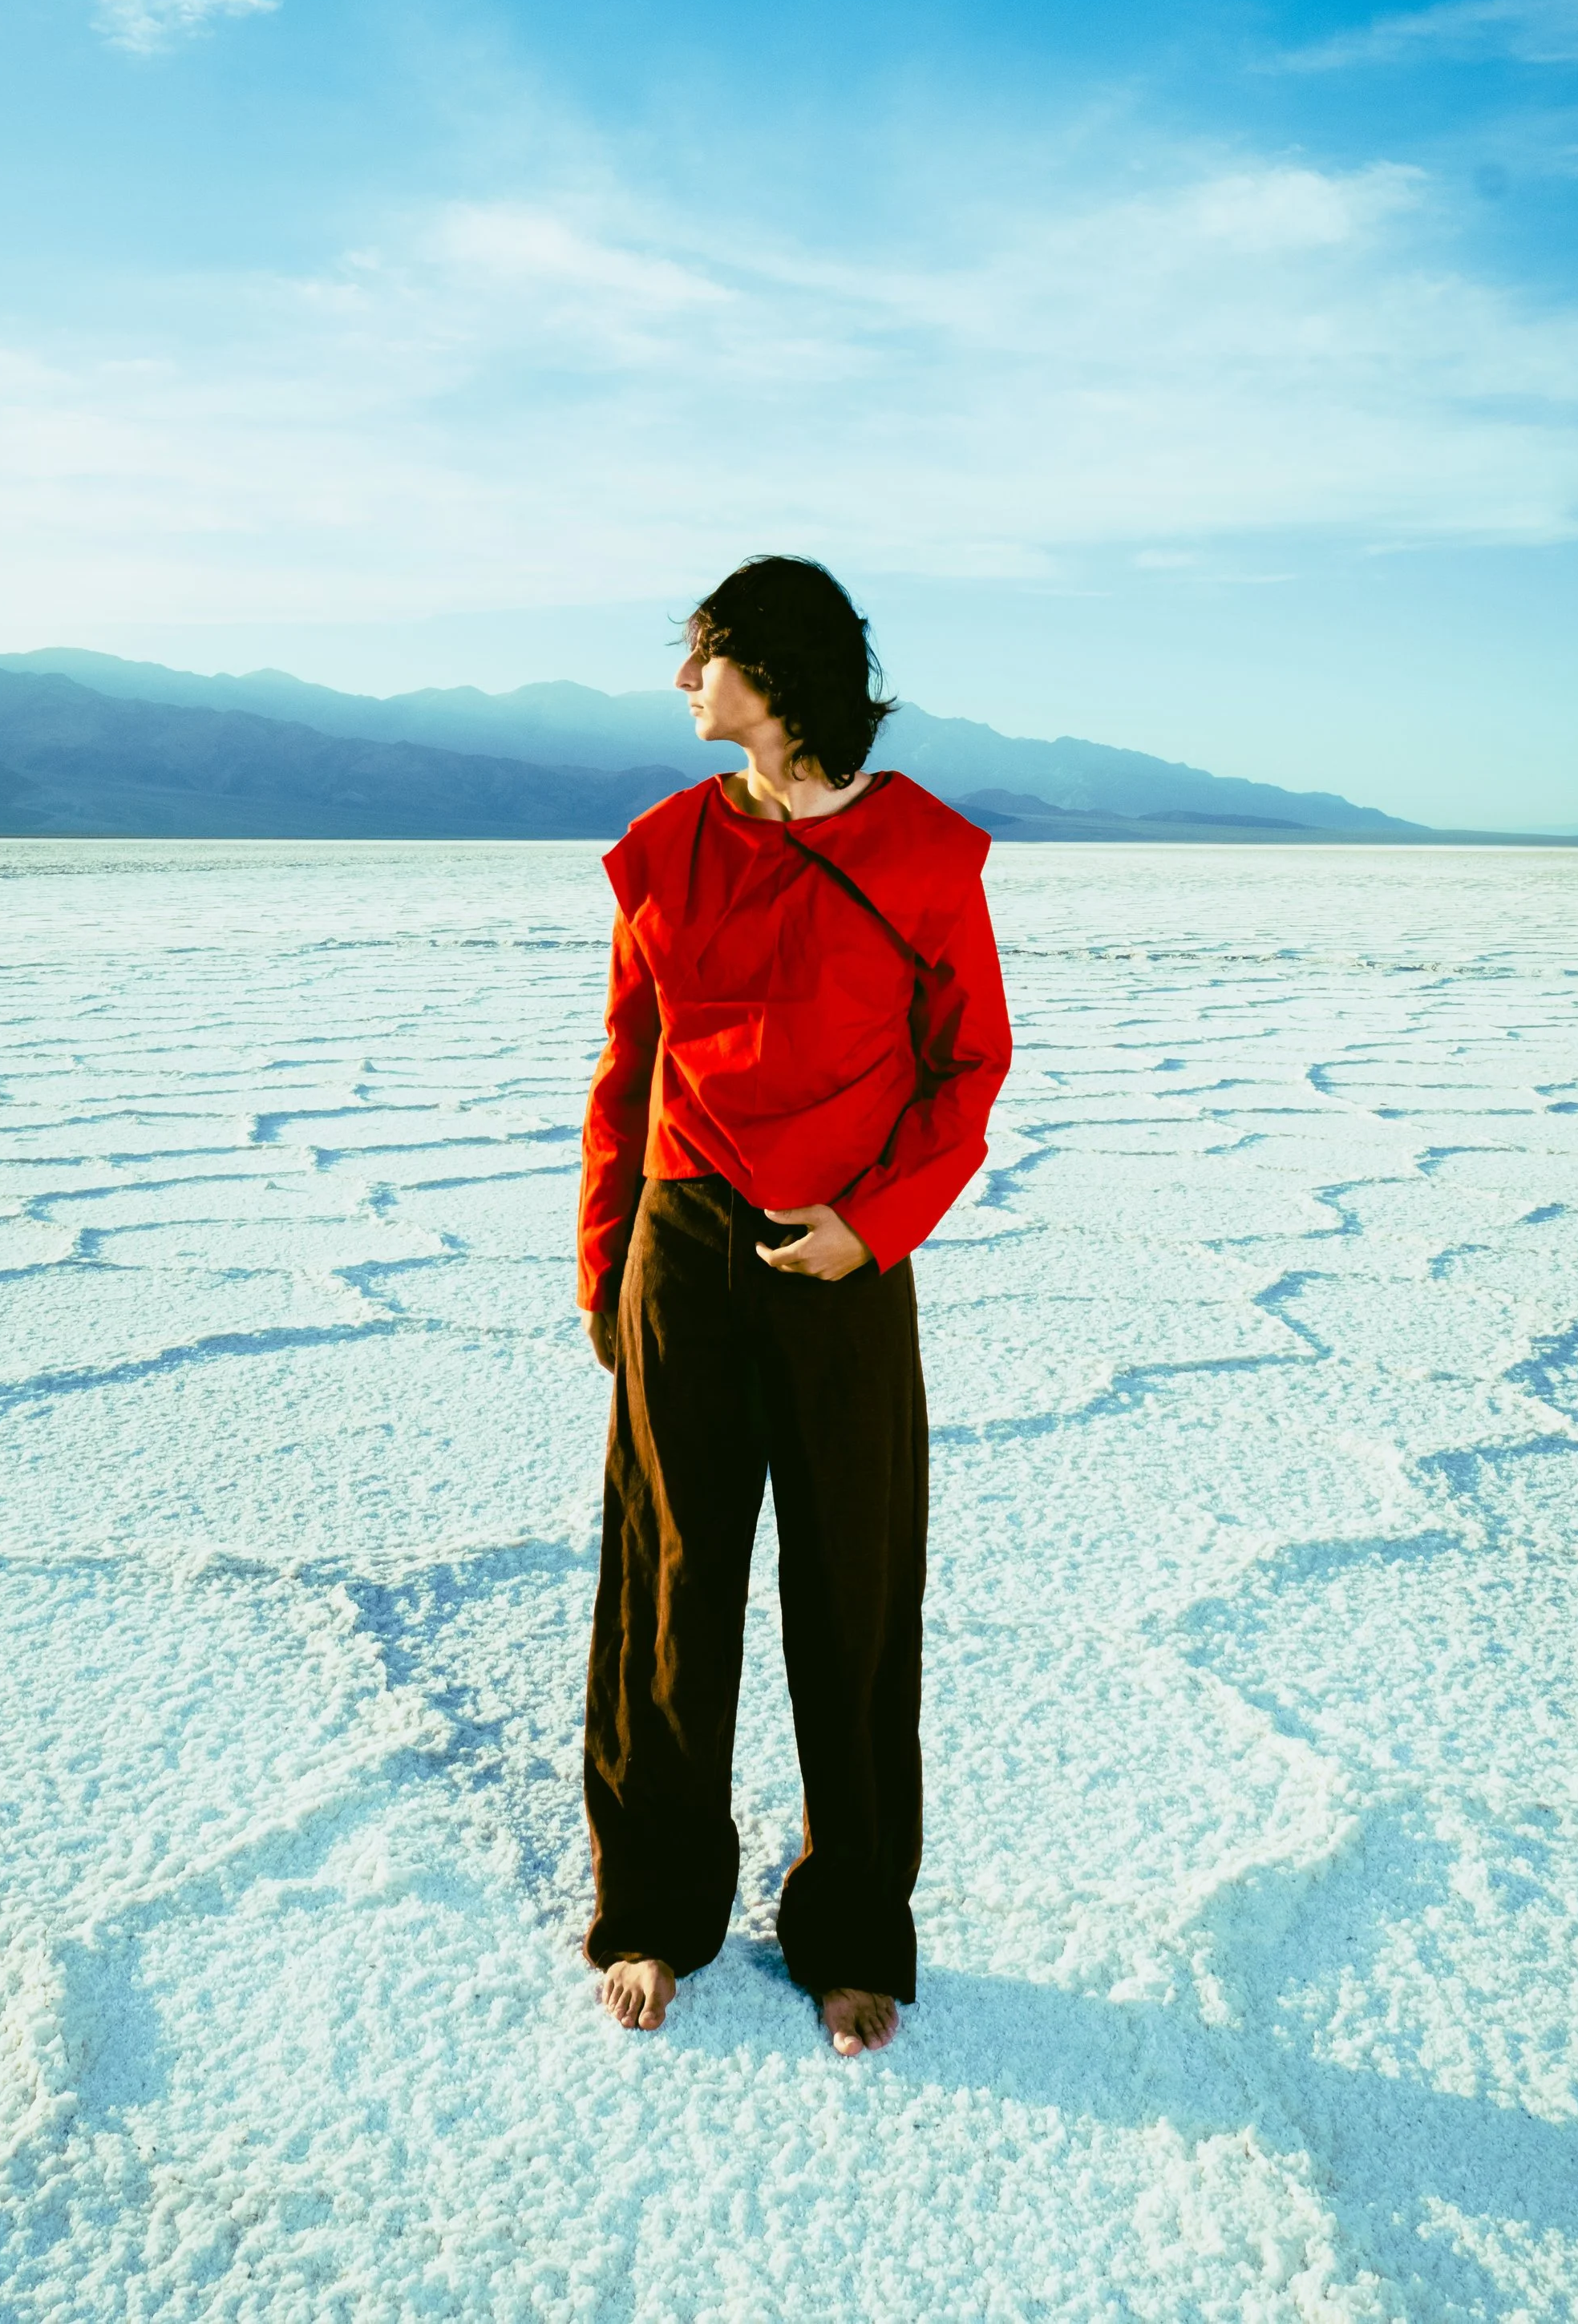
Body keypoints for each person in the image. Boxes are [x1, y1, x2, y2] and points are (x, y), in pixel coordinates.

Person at [577, 555, 1013, 2058]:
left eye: (700, 656)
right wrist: (604, 1275)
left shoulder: (925, 857)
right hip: (685, 1251)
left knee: (854, 1604)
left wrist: (874, 1226)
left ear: (769, 675)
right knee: (667, 1593)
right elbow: (626, 1079)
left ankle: (851, 1934)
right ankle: (652, 1907)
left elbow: (970, 1071)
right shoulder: (663, 849)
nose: (684, 684)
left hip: (847, 1268)